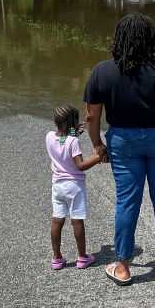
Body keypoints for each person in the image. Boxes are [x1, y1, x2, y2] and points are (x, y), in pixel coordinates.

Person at [84, 13, 155, 286]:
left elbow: (92, 116)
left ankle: (122, 266)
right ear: (150, 40)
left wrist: (97, 144)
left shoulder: (103, 70)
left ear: (118, 39)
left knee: (127, 201)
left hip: (124, 141)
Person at [46, 105, 102, 270]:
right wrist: (97, 157)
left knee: (57, 220)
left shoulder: (49, 136)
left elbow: (61, 141)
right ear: (73, 123)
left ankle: (57, 258)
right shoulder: (74, 141)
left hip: (57, 186)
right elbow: (80, 166)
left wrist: (72, 132)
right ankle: (82, 258)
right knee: (77, 221)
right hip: (74, 187)